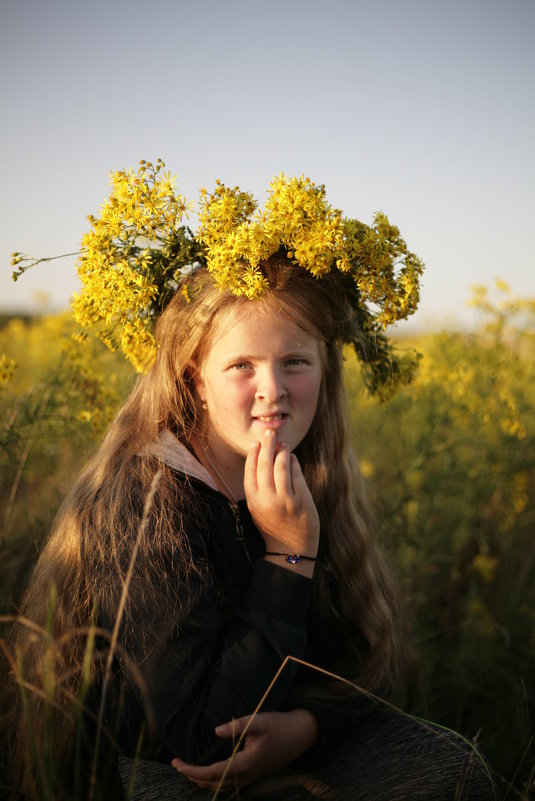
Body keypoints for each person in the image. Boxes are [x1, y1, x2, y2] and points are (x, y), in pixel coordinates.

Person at [3, 176, 496, 800]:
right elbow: (205, 739)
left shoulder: (307, 475)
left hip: (280, 749)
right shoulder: (146, 498)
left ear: (325, 369)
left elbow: (360, 661)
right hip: (152, 772)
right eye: (241, 366)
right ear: (195, 379)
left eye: (295, 361)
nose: (273, 390)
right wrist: (289, 558)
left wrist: (310, 726)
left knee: (454, 767)